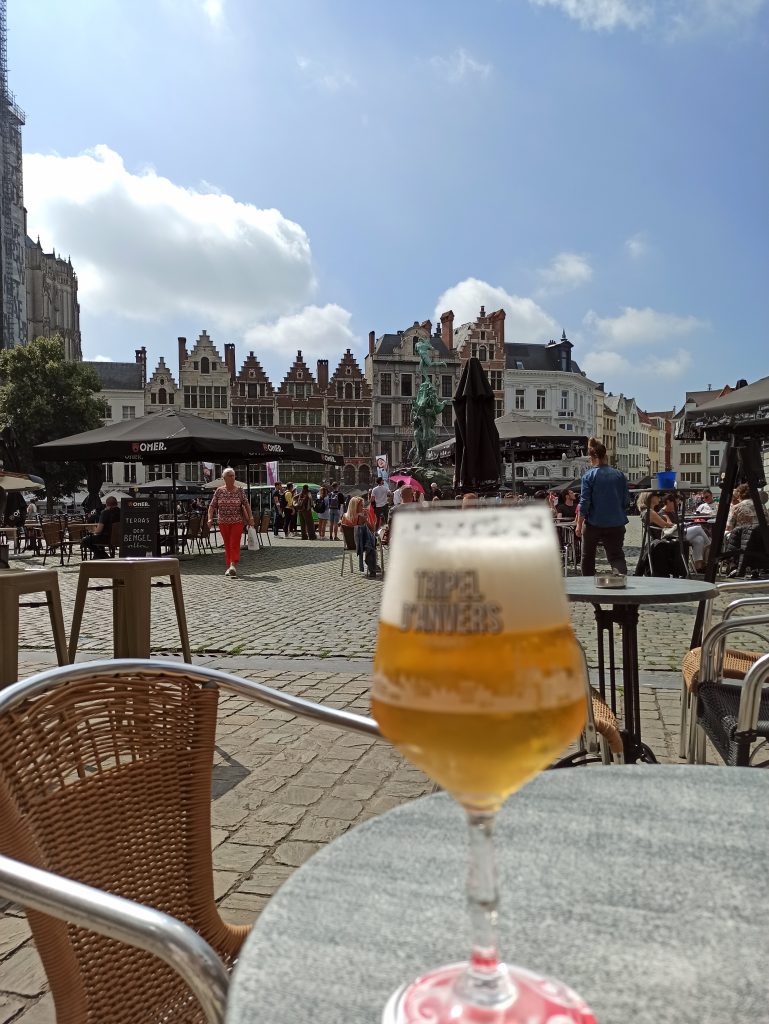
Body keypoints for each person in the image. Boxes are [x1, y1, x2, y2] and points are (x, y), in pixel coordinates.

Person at [576, 437, 630, 577]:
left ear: (592, 457)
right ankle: (620, 585)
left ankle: (590, 591)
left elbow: (585, 502)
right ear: (606, 456)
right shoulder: (620, 475)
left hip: (594, 523)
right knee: (616, 556)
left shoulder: (588, 476)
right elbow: (626, 501)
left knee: (587, 557)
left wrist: (579, 524)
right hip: (616, 523)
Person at [207, 467, 254, 578]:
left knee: (234, 542)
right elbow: (212, 506)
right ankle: (229, 566)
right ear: (224, 478)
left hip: (237, 521)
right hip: (223, 522)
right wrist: (209, 518)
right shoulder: (219, 491)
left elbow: (246, 504)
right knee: (227, 544)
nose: (232, 477)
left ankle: (233, 565)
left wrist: (250, 517)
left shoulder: (240, 491)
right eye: (229, 475)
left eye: (233, 475)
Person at [340, 496, 379, 577]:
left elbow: (341, 530)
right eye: (361, 505)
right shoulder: (361, 518)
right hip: (361, 545)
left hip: (350, 544)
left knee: (370, 541)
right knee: (372, 542)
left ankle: (374, 565)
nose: (363, 507)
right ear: (355, 506)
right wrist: (369, 515)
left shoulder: (344, 516)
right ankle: (373, 566)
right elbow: (373, 529)